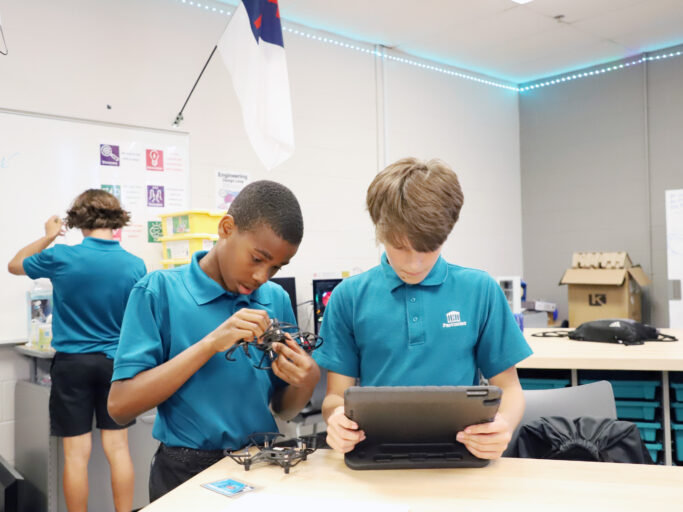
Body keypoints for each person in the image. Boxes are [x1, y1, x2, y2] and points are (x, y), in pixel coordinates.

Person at [107, 180, 320, 501]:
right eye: (257, 259)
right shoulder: (159, 291)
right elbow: (120, 407)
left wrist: (307, 380)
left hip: (260, 463)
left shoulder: (274, 299)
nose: (263, 276)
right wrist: (210, 344)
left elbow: (283, 408)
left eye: (276, 267)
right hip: (185, 469)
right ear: (226, 228)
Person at [314, 157, 533, 459]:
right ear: (379, 231)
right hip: (376, 458)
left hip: (465, 455)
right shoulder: (348, 297)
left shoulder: (480, 290)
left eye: (428, 248)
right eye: (400, 247)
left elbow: (509, 387)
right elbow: (335, 397)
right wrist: (337, 418)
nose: (413, 264)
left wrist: (503, 425)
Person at [8, 189, 146, 512]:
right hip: (116, 364)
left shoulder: (62, 257)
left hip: (72, 365)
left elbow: (14, 265)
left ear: (78, 221)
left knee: (76, 455)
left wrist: (49, 236)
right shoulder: (135, 265)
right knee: (118, 448)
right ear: (116, 220)